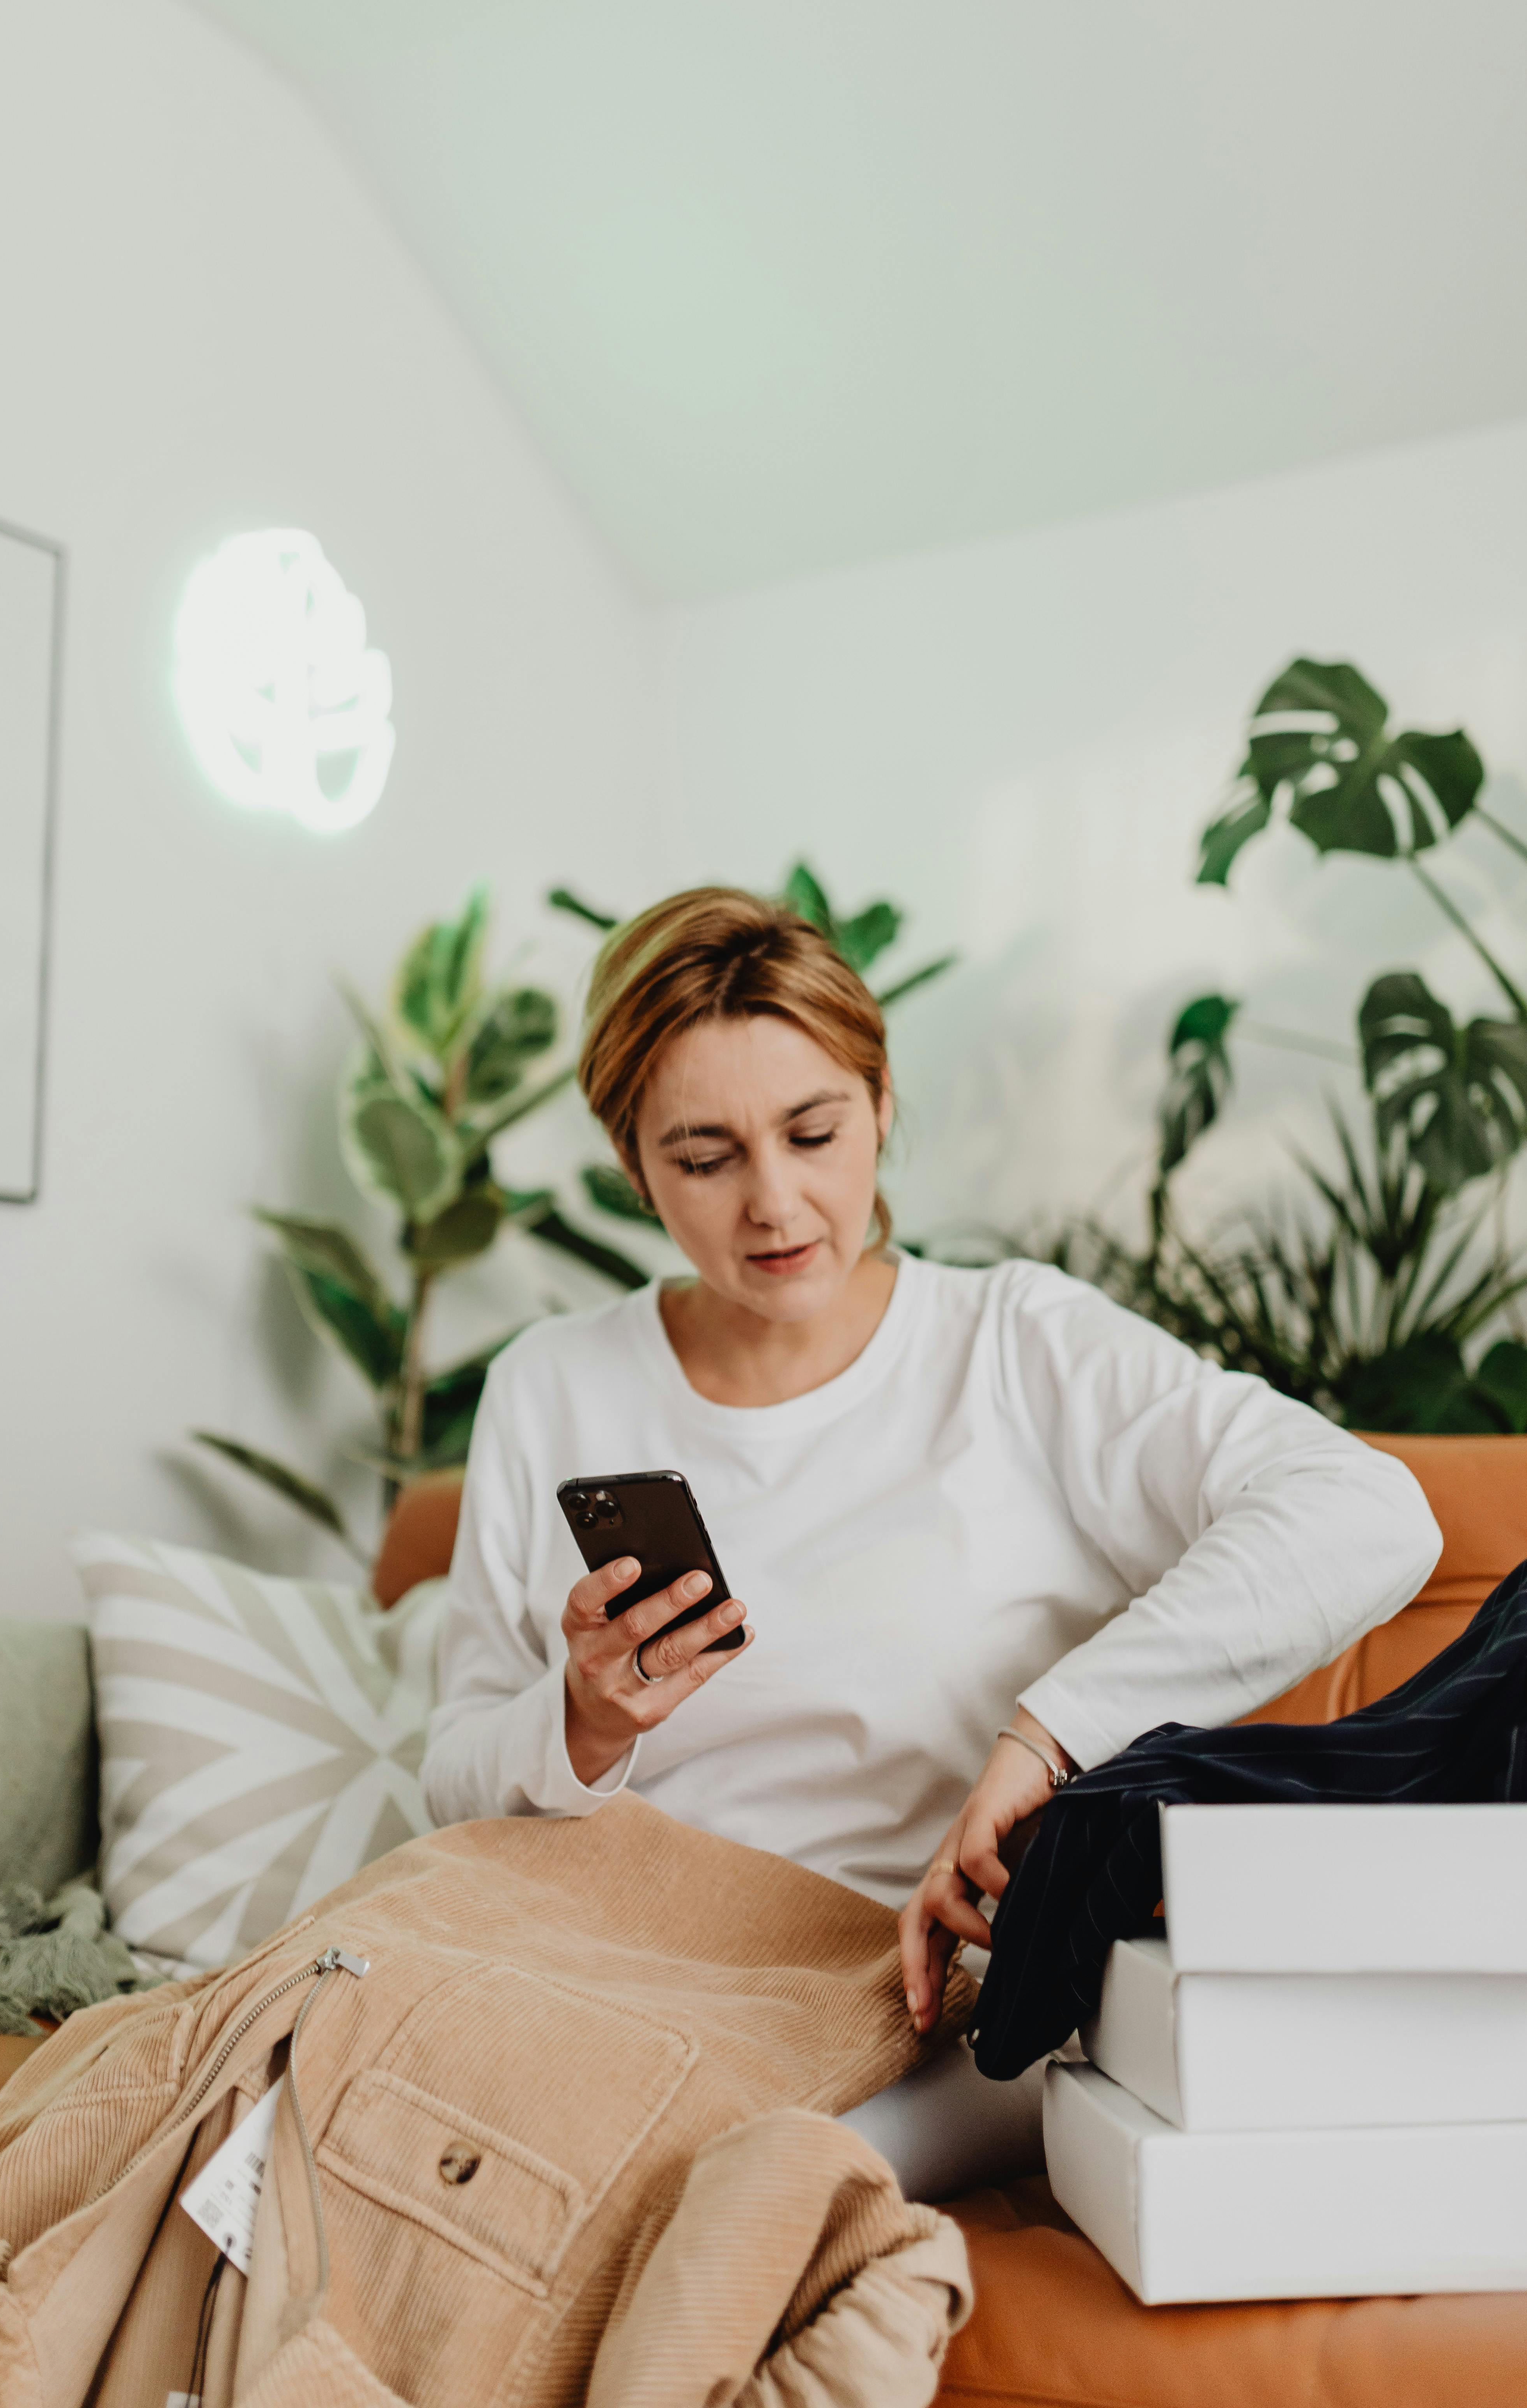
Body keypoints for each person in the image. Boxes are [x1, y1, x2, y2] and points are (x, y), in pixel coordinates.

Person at [421, 887, 1441, 2198]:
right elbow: (448, 1782)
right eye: (705, 1157)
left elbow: (1366, 1514)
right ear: (633, 1168)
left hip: (910, 2006)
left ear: (881, 1102)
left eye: (813, 1131)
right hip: (616, 1966)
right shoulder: (553, 1384)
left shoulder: (1015, 1349)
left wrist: (1050, 1734)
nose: (776, 1204)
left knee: (714, 2191)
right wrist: (582, 1719)